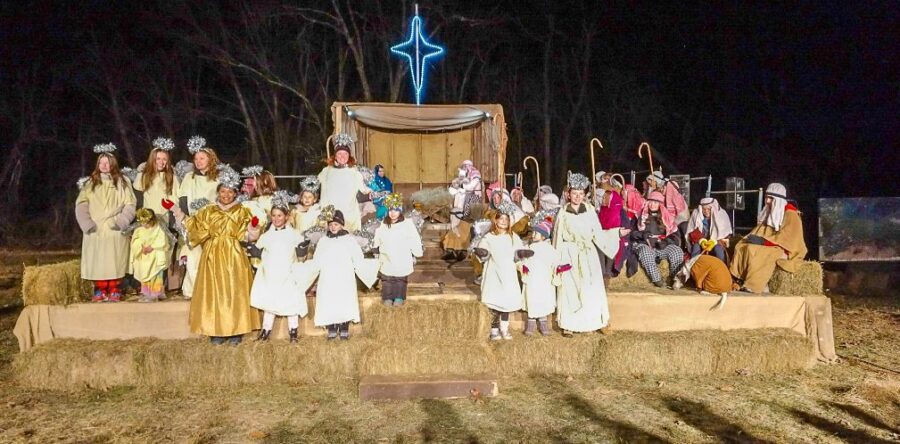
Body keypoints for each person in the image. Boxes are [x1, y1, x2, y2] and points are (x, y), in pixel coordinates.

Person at [180, 164, 261, 345]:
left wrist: (253, 228)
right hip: (213, 255)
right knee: (214, 290)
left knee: (235, 290)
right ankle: (215, 329)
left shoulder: (242, 211)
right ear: (218, 192)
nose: (226, 195)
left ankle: (236, 329)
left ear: (235, 193)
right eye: (223, 191)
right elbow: (194, 229)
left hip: (234, 255)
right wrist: (176, 213)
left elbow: (247, 236)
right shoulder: (208, 211)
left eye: (230, 192)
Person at [553, 172, 624, 336]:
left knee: (590, 287)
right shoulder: (562, 213)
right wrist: (557, 261)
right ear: (568, 194)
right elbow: (557, 237)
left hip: (587, 254)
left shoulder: (590, 210)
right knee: (570, 288)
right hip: (569, 253)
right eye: (574, 193)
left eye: (580, 194)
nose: (577, 197)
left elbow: (598, 233)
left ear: (585, 195)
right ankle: (569, 324)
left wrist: (616, 233)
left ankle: (593, 321)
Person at [293, 208, 379, 340]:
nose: (333, 227)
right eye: (331, 224)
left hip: (344, 277)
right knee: (330, 301)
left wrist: (372, 267)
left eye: (336, 224)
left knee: (344, 300)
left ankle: (344, 327)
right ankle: (332, 328)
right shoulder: (323, 241)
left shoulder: (349, 240)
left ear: (341, 225)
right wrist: (301, 269)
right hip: (328, 278)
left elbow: (357, 259)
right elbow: (317, 262)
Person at [75, 143, 137, 302]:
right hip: (96, 229)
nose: (104, 166)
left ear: (113, 164)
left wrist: (121, 221)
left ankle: (115, 289)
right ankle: (100, 289)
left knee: (115, 259)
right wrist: (87, 224)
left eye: (107, 163)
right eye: (101, 162)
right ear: (98, 164)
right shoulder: (90, 183)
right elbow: (81, 204)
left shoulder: (122, 182)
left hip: (114, 228)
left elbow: (130, 203)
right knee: (98, 261)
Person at [248, 191, 309, 343]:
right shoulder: (266, 235)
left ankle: (293, 332)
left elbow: (301, 257)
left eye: (279, 216)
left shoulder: (294, 234)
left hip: (288, 274)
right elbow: (260, 252)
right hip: (271, 275)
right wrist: (255, 252)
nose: (276, 219)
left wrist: (302, 250)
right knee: (270, 302)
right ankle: (265, 331)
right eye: (273, 216)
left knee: (291, 302)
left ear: (286, 216)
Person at [730, 183, 807, 293]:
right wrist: (752, 238)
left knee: (759, 252)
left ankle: (754, 285)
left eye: (770, 198)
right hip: (768, 243)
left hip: (784, 248)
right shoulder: (769, 211)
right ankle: (739, 278)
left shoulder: (791, 214)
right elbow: (760, 230)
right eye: (766, 197)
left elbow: (789, 239)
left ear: (778, 199)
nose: (767, 201)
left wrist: (763, 242)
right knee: (741, 246)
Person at [174, 136, 221, 299]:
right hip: (193, 222)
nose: (199, 161)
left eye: (202, 158)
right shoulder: (189, 178)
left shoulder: (218, 178)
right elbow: (183, 200)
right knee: (193, 258)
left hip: (213, 223)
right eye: (196, 158)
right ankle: (192, 290)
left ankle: (211, 290)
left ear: (210, 159)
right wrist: (186, 221)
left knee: (211, 258)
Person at [472, 204, 527, 340]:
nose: (503, 221)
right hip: (494, 273)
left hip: (508, 274)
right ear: (495, 220)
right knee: (495, 302)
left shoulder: (513, 237)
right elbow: (483, 251)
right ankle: (494, 329)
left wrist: (521, 262)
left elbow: (518, 253)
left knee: (506, 303)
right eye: (500, 219)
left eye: (506, 219)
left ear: (509, 222)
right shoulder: (489, 237)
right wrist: (482, 252)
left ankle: (504, 328)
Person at [373, 193, 423, 307]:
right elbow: (378, 236)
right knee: (387, 278)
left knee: (400, 278)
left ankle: (399, 297)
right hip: (387, 256)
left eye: (395, 210)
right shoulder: (384, 224)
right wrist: (376, 248)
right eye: (390, 210)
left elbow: (414, 237)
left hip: (401, 256)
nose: (392, 213)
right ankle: (388, 297)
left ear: (400, 211)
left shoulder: (407, 224)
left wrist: (416, 252)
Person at [317, 134, 372, 232]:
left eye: (345, 154)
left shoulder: (355, 172)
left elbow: (364, 189)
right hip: (329, 212)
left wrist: (372, 192)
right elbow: (315, 185)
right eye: (339, 154)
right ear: (335, 156)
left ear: (349, 156)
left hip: (348, 213)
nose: (342, 157)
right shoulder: (326, 171)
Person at [631, 191, 684, 288]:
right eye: (650, 202)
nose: (652, 205)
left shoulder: (667, 218)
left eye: (655, 202)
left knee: (677, 251)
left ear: (660, 204)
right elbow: (631, 233)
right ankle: (658, 280)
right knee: (645, 252)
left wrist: (666, 242)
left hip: (661, 246)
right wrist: (641, 234)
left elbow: (676, 237)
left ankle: (675, 279)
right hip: (645, 244)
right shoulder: (640, 216)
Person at [520, 219, 560, 336]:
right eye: (533, 233)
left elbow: (555, 260)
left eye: (536, 233)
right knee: (532, 298)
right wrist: (524, 266)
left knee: (543, 299)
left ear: (543, 236)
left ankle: (543, 323)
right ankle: (531, 324)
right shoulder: (530, 247)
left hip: (544, 280)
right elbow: (524, 259)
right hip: (533, 279)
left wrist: (558, 268)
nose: (533, 235)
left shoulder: (549, 249)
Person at [130, 208, 170, 302]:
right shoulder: (139, 230)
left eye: (147, 223)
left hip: (154, 255)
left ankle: (155, 293)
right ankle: (146, 293)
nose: (144, 225)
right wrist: (141, 247)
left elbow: (162, 241)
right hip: (144, 256)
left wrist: (152, 247)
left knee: (155, 275)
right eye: (142, 222)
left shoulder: (158, 229)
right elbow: (135, 240)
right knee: (144, 274)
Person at [685, 197, 733, 262]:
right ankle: (694, 268)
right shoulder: (696, 214)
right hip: (701, 241)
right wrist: (702, 241)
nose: (706, 211)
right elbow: (692, 231)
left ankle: (721, 268)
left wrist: (714, 242)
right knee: (696, 249)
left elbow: (726, 234)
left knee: (718, 251)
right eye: (704, 209)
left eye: (709, 209)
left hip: (717, 242)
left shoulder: (722, 214)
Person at [646, 170, 690, 237]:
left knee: (681, 230)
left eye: (651, 183)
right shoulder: (658, 189)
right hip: (669, 215)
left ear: (656, 181)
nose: (650, 185)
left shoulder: (670, 186)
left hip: (679, 214)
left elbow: (674, 204)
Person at [597, 187, 626, 279]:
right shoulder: (602, 210)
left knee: (612, 245)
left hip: (616, 236)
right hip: (603, 235)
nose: (603, 200)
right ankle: (602, 271)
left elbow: (626, 227)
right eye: (603, 198)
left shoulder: (619, 211)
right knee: (599, 245)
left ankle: (608, 271)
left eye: (606, 198)